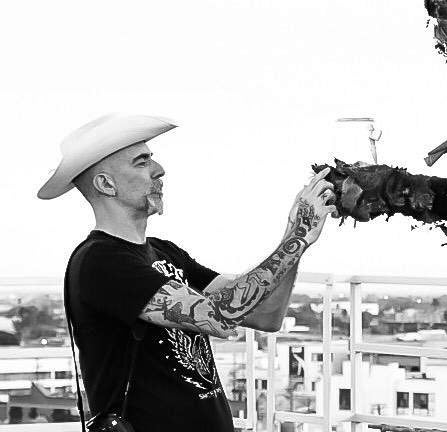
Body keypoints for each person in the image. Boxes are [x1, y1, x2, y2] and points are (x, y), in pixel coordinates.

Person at [37, 113, 336, 432]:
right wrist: (298, 236)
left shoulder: (165, 251)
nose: (159, 169)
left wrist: (296, 238)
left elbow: (265, 315)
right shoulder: (100, 262)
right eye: (141, 162)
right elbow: (219, 316)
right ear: (106, 184)